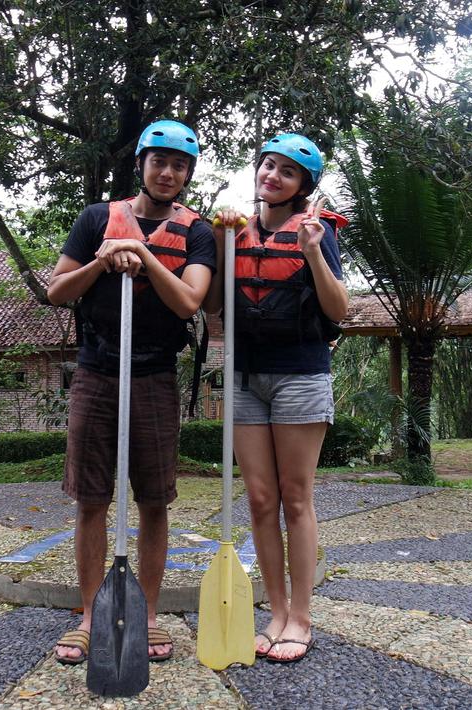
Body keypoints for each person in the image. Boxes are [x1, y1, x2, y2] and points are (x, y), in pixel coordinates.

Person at [46, 120, 216, 665]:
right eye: (159, 161)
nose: (168, 172)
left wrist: (143, 257)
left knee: (153, 501)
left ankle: (145, 614)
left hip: (154, 375)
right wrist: (104, 257)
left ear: (188, 174)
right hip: (98, 371)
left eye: (180, 165)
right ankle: (92, 613)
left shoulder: (197, 232)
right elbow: (57, 291)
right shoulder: (97, 218)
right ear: (141, 164)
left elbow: (190, 303)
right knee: (92, 499)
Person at [207, 133, 348, 664]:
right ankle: (276, 609)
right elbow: (215, 306)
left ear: (302, 186)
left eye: (287, 172)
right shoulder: (233, 230)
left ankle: (302, 617)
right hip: (245, 378)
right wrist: (223, 244)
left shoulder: (317, 233)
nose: (273, 176)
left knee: (295, 498)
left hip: (300, 376)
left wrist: (312, 250)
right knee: (261, 500)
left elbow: (339, 310)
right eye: (268, 166)